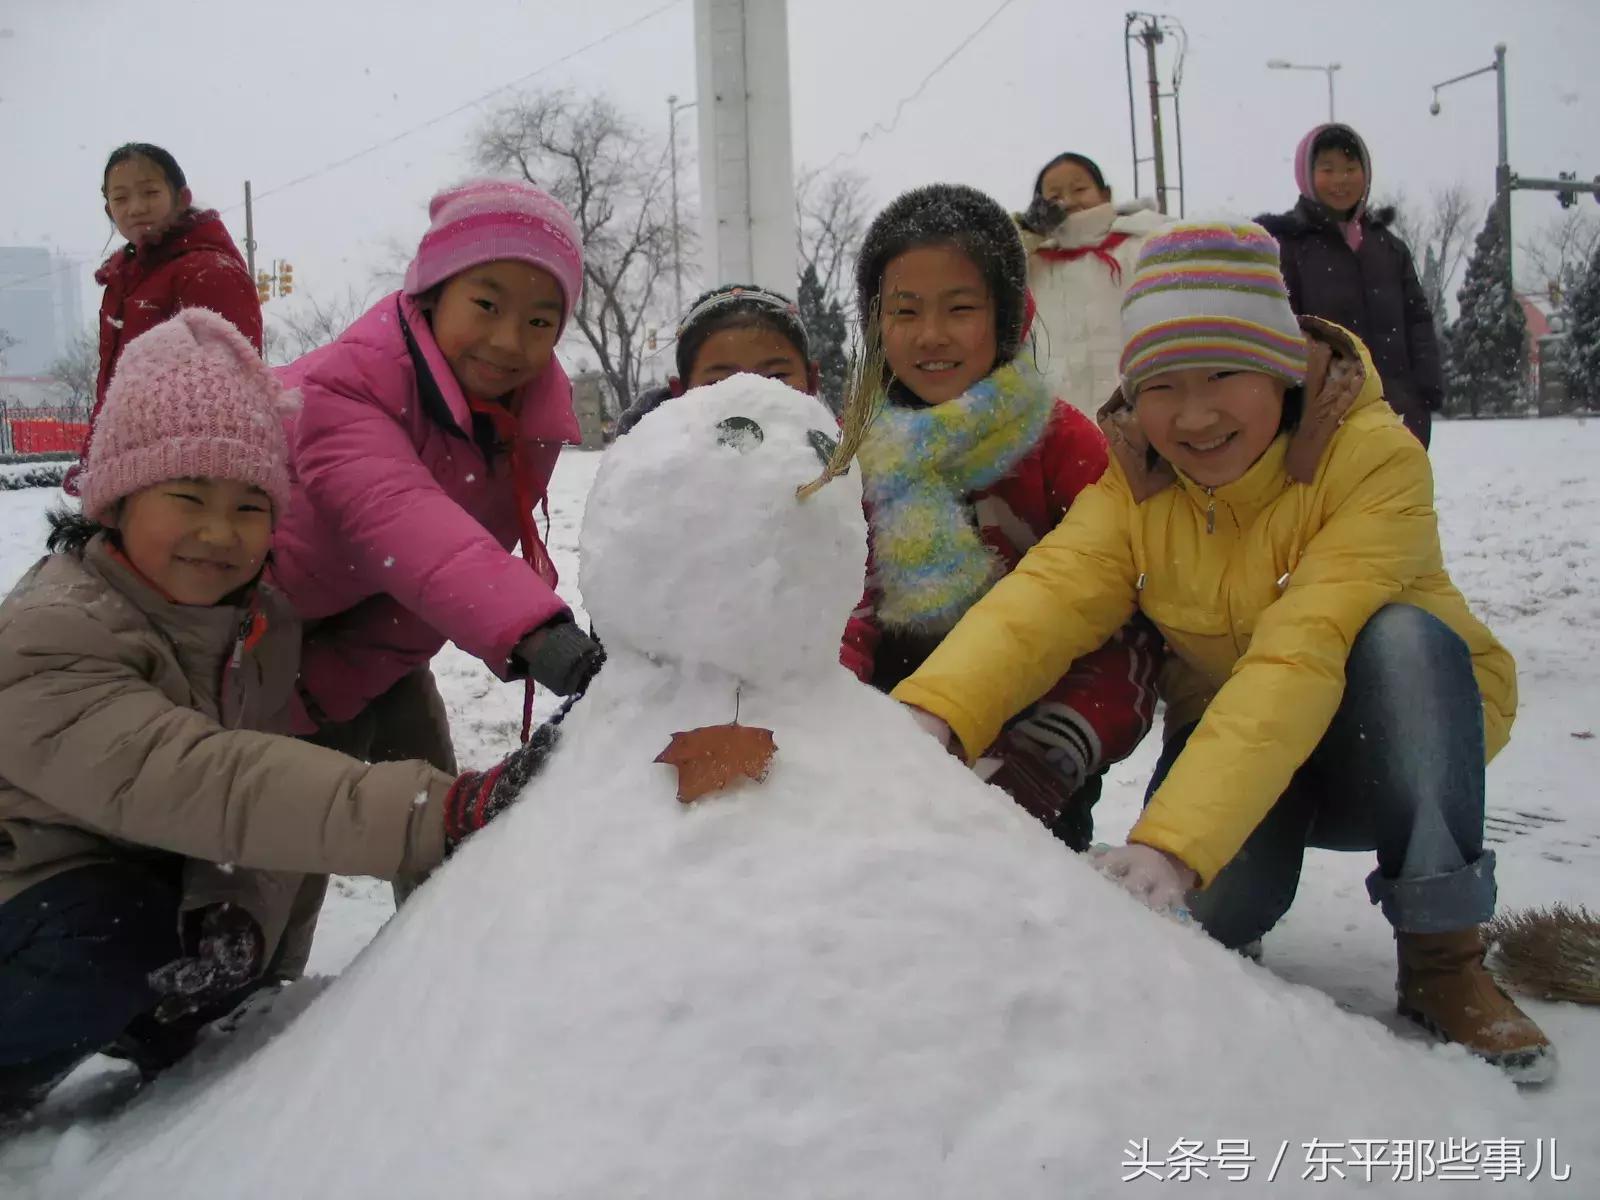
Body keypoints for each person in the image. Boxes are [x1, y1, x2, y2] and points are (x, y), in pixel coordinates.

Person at [891, 221, 1554, 1083]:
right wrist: (929, 718)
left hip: (1386, 748)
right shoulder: (1136, 480)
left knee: (1405, 641)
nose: (1194, 416)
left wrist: (1172, 844)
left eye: (1223, 376)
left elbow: (1302, 652)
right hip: (1240, 740)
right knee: (1212, 915)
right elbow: (1046, 596)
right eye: (1163, 385)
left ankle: (1444, 959)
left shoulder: (1369, 459)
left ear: (1280, 368)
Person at [0, 311, 553, 1118]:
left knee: (197, 948)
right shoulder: (56, 633)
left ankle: (162, 1032)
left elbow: (263, 791)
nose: (218, 532)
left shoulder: (256, 627)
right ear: (116, 500)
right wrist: (437, 810)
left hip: (129, 876)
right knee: (107, 931)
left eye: (250, 505)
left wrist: (244, 928)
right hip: (30, 890)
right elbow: (209, 783)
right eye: (187, 496)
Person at [841, 184, 1159, 852]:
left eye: (960, 308)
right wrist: (835, 720)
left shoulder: (1062, 444)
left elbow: (1121, 618)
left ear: (1008, 316)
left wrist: (1053, 748)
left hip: (1036, 752)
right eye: (905, 310)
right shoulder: (853, 453)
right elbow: (841, 609)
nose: (931, 335)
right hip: (889, 742)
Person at [270, 180, 605, 782]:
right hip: (233, 629)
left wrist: (319, 695)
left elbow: (422, 602)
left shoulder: (524, 424)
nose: (508, 341)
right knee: (285, 829)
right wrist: (538, 633)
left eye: (539, 319)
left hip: (358, 642)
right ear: (432, 291)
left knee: (430, 805)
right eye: (486, 305)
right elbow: (402, 521)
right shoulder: (349, 384)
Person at [68, 144, 263, 497]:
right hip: (131, 467)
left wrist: (195, 483)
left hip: (184, 475)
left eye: (150, 193)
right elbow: (113, 390)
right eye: (121, 198)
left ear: (181, 198)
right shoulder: (124, 282)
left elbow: (230, 390)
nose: (135, 208)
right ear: (109, 209)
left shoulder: (207, 271)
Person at [1257, 123, 1444, 448]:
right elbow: (1279, 327)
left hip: (1398, 410)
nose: (1340, 180)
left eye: (1350, 168)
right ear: (1306, 175)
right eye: (1327, 169)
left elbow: (1417, 319)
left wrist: (1425, 389)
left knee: (1398, 481)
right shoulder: (1289, 245)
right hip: (1325, 414)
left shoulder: (1389, 248)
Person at [1016, 152, 1168, 418]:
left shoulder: (1144, 242)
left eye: (1079, 189)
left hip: (1136, 415)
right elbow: (980, 266)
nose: (1068, 201)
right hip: (1055, 422)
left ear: (1105, 194)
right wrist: (1027, 230)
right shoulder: (1030, 263)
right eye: (1054, 196)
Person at [616, 284, 818, 436]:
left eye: (776, 376)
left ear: (811, 381)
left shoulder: (836, 466)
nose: (750, 395)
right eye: (719, 382)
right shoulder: (655, 474)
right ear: (681, 392)